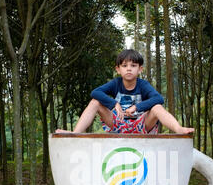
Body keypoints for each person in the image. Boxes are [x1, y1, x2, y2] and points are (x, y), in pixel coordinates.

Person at [56, 49, 194, 135]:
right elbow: (95, 92)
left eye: (133, 66)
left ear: (140, 69)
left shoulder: (143, 85)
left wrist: (137, 107)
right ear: (118, 69)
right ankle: (75, 133)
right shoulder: (115, 83)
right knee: (95, 102)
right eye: (124, 66)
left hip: (141, 125)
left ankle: (178, 129)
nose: (129, 69)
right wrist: (114, 104)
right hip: (118, 123)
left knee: (157, 107)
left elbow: (158, 98)